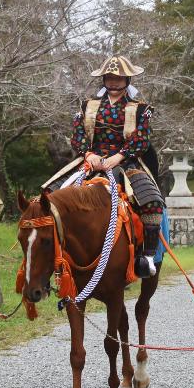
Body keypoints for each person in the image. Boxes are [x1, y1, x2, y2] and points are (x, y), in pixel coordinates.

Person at [69, 55, 164, 278]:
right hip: (91, 160)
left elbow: (141, 139)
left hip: (126, 161)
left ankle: (147, 257)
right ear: (103, 78)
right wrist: (88, 153)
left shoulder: (141, 109)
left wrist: (119, 156)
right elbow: (78, 134)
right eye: (109, 78)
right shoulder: (87, 106)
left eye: (118, 78)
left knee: (151, 201)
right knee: (54, 194)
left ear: (127, 79)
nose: (113, 82)